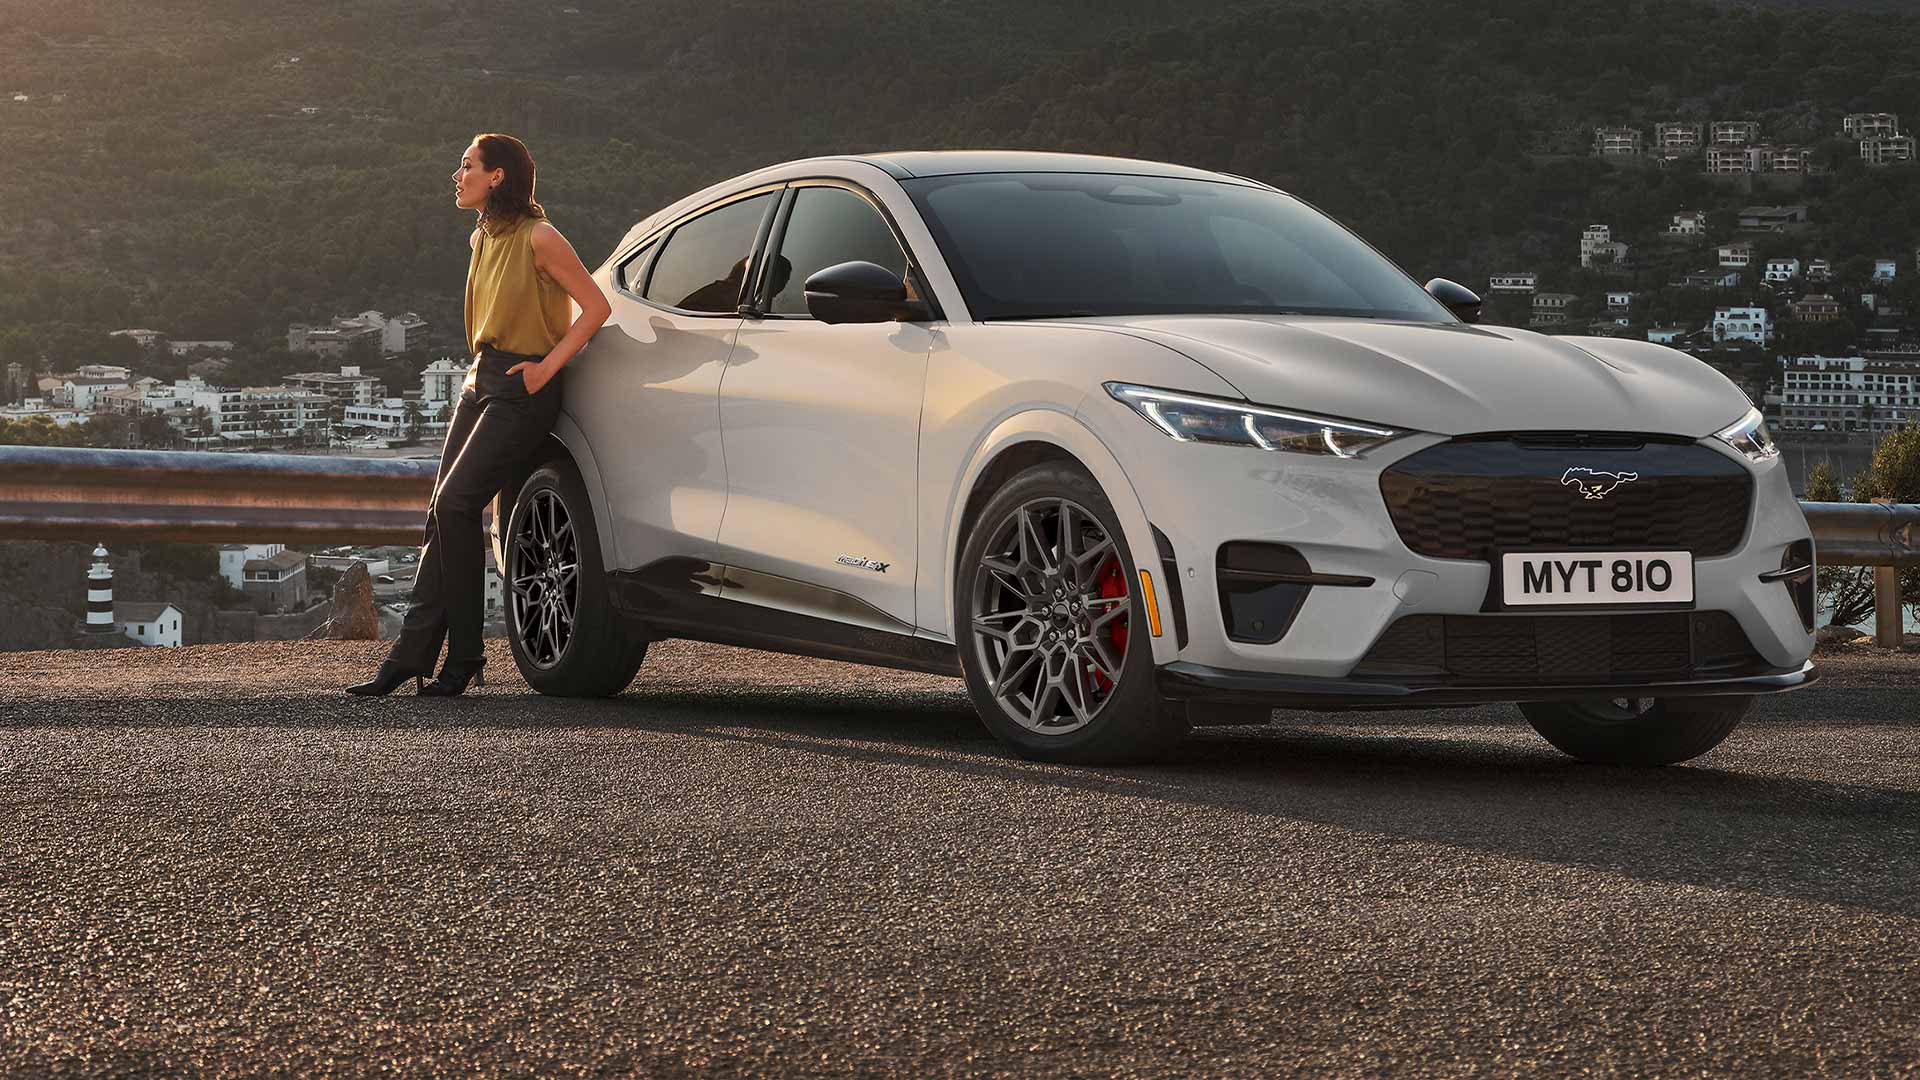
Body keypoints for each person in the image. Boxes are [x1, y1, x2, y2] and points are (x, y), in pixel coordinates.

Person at [347, 132, 611, 697]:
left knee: (457, 502)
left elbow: (596, 307)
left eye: (467, 165)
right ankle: (416, 653)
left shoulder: (540, 237)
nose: (456, 174)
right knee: (441, 513)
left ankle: (462, 657)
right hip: (480, 377)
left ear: (497, 177)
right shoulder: (480, 239)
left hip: (523, 385)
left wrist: (547, 369)